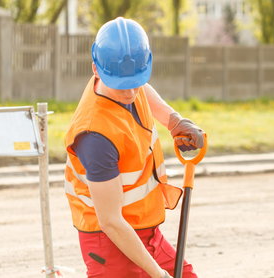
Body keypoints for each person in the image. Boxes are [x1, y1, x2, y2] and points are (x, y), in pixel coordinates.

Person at [63, 17, 206, 278]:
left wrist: (174, 122)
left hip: (144, 229)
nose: (130, 93)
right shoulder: (95, 136)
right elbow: (111, 222)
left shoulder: (122, 78)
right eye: (122, 86)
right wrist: (158, 274)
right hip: (109, 241)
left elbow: (141, 89)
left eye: (135, 81)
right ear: (96, 69)